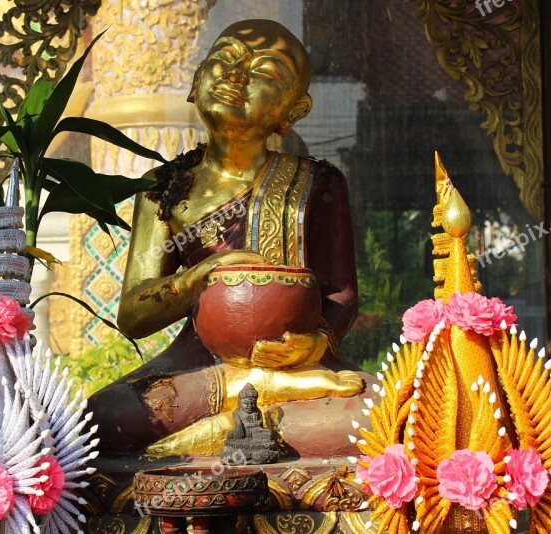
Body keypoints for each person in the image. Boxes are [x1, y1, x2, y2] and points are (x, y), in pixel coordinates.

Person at [88, 19, 363, 455]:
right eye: (226, 59)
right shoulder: (164, 187)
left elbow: (340, 293)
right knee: (102, 420)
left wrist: (315, 342)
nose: (236, 77)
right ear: (198, 78)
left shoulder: (320, 183)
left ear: (294, 110)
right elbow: (134, 313)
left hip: (299, 363)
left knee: (383, 417)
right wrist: (201, 275)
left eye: (267, 74)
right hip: (201, 365)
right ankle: (251, 400)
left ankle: (225, 424)